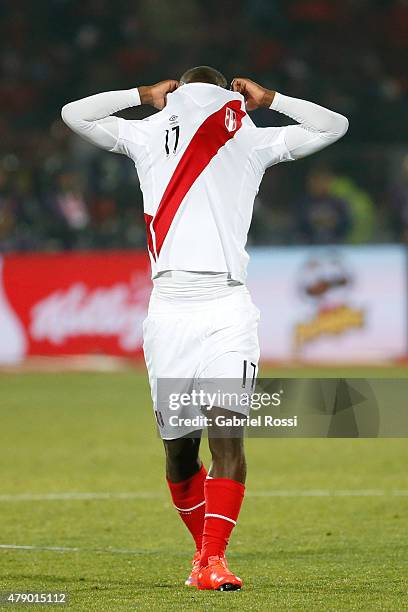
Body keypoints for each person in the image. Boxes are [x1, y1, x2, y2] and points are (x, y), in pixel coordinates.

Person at [61, 65, 348, 591]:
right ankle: (204, 557)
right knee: (179, 449)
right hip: (172, 309)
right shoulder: (178, 133)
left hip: (225, 311)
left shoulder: (235, 136)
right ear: (224, 90)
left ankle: (214, 560)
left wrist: (140, 95)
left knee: (227, 436)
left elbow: (73, 113)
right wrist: (273, 99)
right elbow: (333, 126)